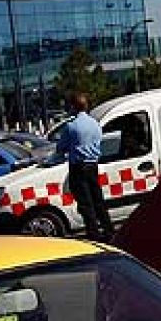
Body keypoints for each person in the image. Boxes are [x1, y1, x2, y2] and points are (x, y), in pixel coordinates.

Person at [57, 94, 112, 241]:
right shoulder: (95, 124)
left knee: (86, 204)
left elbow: (61, 148)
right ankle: (109, 231)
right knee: (98, 200)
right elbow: (99, 142)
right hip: (93, 165)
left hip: (79, 167)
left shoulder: (71, 126)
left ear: (73, 107)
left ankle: (94, 234)